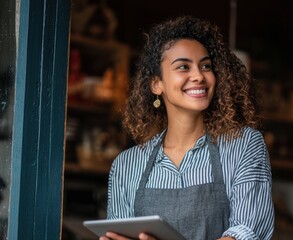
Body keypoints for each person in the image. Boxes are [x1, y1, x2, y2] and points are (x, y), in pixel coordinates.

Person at [100, 15, 274, 240]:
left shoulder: (244, 146)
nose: (199, 76)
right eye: (183, 66)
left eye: (206, 66)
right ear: (156, 84)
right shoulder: (127, 165)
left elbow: (248, 233)